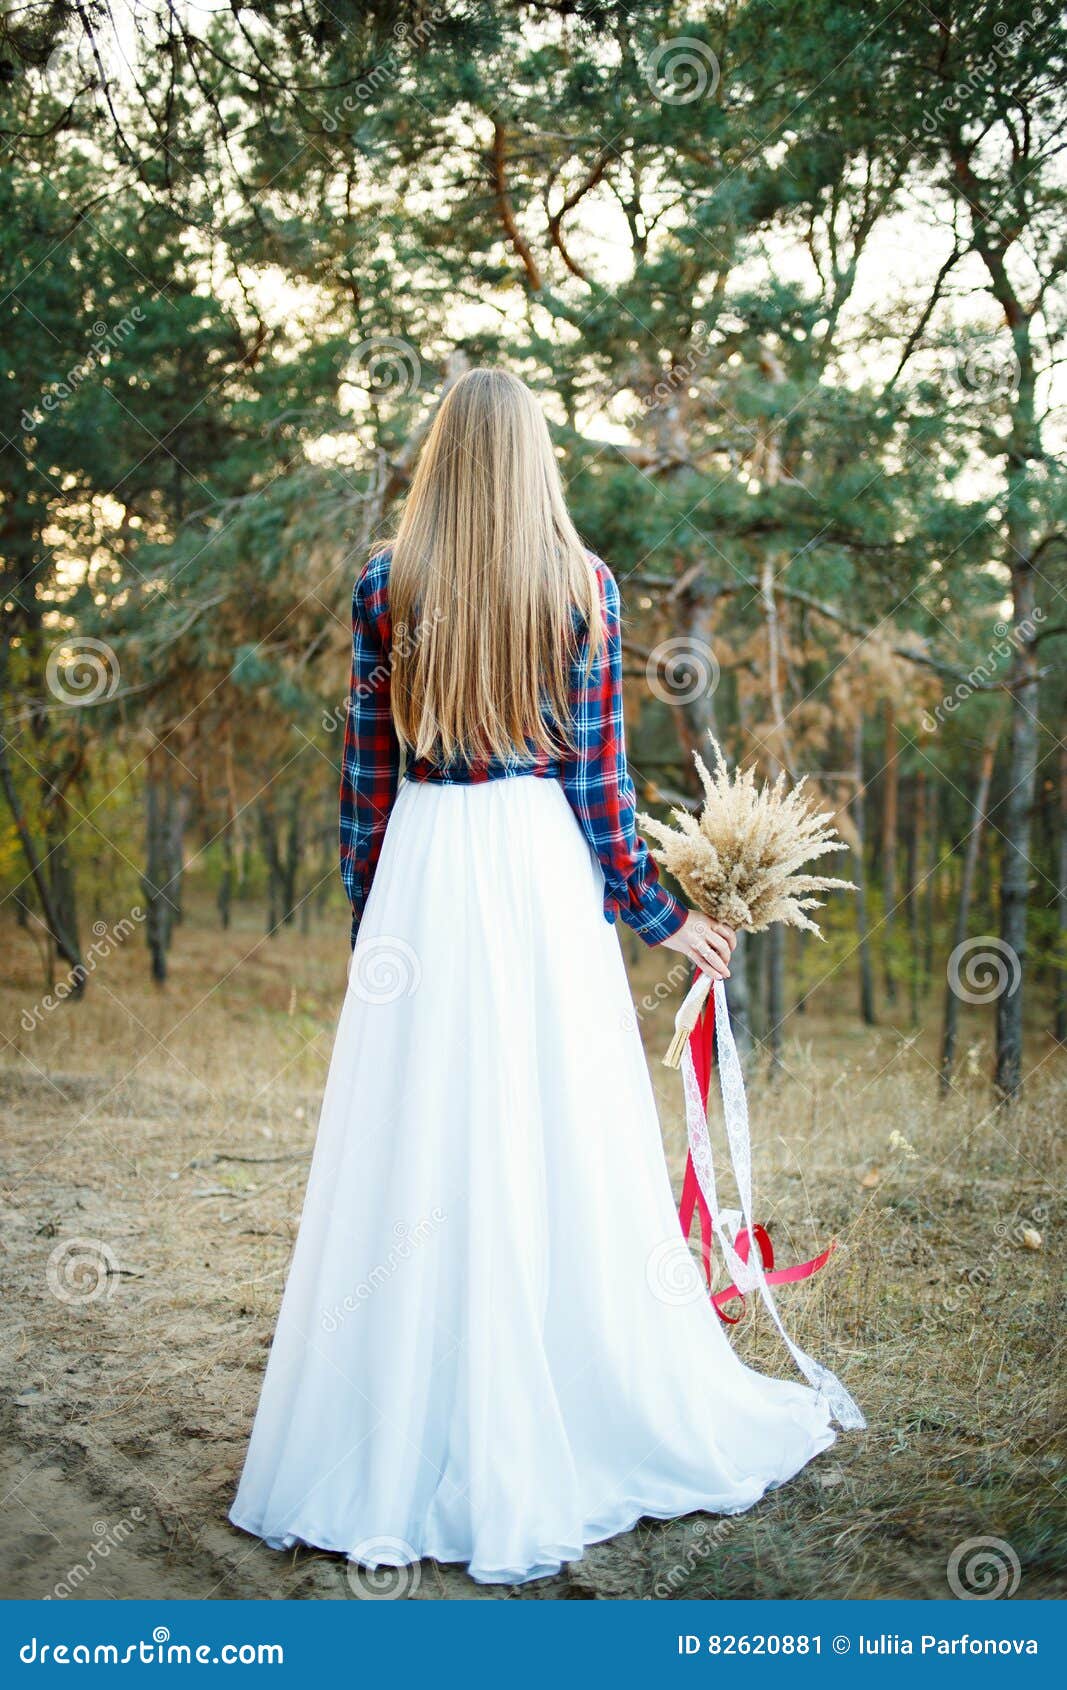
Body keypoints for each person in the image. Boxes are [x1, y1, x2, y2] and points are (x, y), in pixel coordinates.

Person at [229, 367, 835, 1586]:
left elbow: (362, 781)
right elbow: (600, 792)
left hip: (425, 871)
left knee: (421, 1136)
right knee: (557, 1128)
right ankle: (570, 1387)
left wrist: (374, 926)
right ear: (535, 461)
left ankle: (392, 1413)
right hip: (538, 878)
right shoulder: (582, 587)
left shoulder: (383, 588)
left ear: (441, 458)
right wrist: (658, 916)